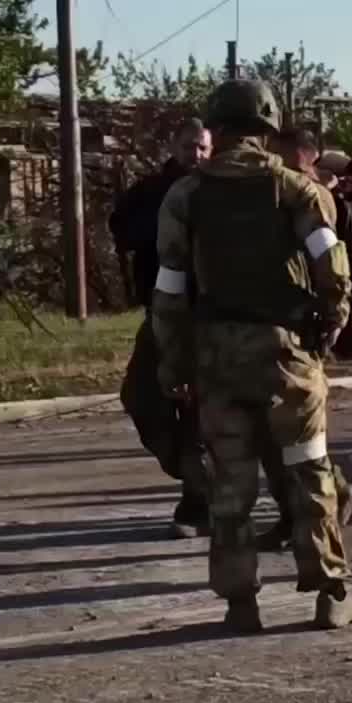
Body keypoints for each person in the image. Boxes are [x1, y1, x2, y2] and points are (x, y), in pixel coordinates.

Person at [153, 80, 352, 632]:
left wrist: (173, 362)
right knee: (309, 473)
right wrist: (329, 323)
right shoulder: (300, 190)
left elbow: (170, 291)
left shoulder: (185, 197)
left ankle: (240, 604)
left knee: (230, 484)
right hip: (286, 359)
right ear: (270, 130)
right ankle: (331, 595)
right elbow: (332, 267)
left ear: (216, 131)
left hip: (217, 361)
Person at [253, 128, 352, 552]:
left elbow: (339, 260)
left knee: (299, 439)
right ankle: (298, 513)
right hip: (263, 327)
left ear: (307, 158)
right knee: (272, 438)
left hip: (297, 330)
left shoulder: (311, 197)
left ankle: (323, 518)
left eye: (286, 158)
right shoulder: (269, 194)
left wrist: (338, 314)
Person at [112, 119, 213, 539]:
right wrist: (168, 223)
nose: (198, 154)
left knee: (197, 415)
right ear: (175, 145)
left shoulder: (221, 192)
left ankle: (197, 505)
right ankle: (199, 479)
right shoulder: (152, 190)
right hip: (160, 314)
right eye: (191, 146)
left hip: (207, 318)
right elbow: (122, 230)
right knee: (140, 396)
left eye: (205, 147)